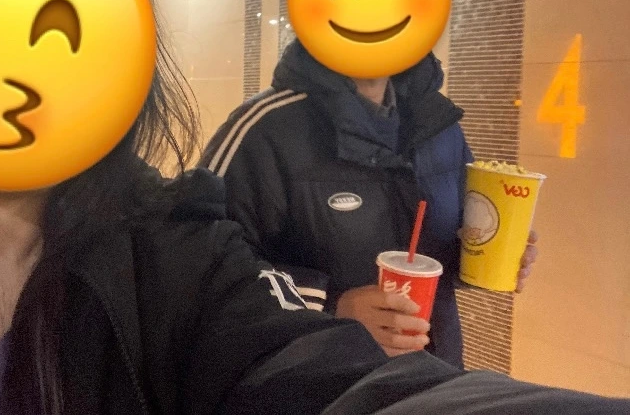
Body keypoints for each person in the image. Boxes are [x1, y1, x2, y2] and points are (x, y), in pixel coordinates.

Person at [0, 0, 628, 414]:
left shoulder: (440, 130)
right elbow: (252, 260)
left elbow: (306, 360)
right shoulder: (264, 129)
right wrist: (336, 302)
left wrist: (483, 253)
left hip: (428, 355)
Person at [201, 37, 537, 367]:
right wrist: (330, 306)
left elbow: (440, 245)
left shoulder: (438, 123)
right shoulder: (264, 129)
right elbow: (201, 267)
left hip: (435, 376)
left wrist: (485, 252)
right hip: (319, 382)